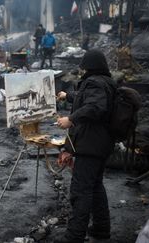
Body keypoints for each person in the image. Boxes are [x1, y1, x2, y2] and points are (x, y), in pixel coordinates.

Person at [55, 49, 116, 243]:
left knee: (81, 192)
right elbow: (86, 98)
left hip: (91, 145)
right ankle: (100, 230)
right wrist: (68, 96)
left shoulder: (95, 82)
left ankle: (74, 237)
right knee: (95, 187)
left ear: (89, 67)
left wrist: (71, 119)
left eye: (84, 67)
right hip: (101, 144)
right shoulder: (105, 82)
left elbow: (96, 107)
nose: (82, 71)